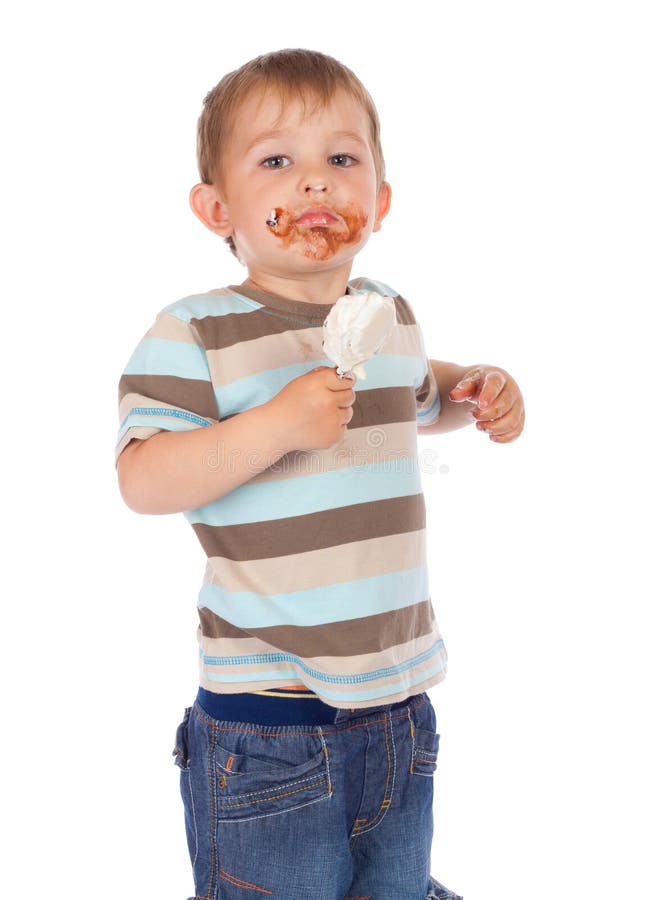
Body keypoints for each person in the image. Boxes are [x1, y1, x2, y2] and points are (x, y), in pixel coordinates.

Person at [115, 48, 524, 900]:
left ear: (377, 200)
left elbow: (418, 391)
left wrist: (473, 389)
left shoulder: (387, 316)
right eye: (277, 161)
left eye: (340, 160)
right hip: (269, 720)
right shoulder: (196, 332)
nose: (313, 183)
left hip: (399, 703)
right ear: (216, 206)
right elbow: (144, 479)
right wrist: (273, 425)